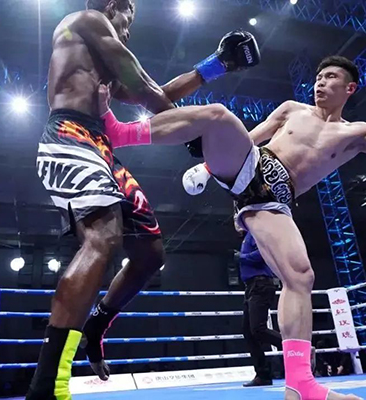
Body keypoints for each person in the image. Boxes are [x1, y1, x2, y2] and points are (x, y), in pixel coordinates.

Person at [26, 0, 261, 397]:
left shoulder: (99, 61)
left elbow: (154, 93)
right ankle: (47, 385)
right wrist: (192, 129)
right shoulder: (88, 20)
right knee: (102, 237)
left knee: (150, 253)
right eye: (129, 17)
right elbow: (144, 88)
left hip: (100, 147)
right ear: (114, 5)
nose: (129, 28)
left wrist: (216, 65)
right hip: (68, 135)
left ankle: (97, 324)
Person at [179, 55, 365, 400]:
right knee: (219, 116)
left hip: (275, 199)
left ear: (350, 88)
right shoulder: (293, 109)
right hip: (253, 166)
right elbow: (255, 135)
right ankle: (123, 132)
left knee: (301, 277)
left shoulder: (355, 133)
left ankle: (299, 385)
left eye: (330, 77)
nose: (320, 82)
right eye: (318, 76)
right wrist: (210, 166)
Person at [236, 225, 282, 387]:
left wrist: (242, 257)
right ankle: (263, 375)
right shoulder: (247, 237)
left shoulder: (256, 232)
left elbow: (264, 252)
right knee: (248, 332)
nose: (235, 223)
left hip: (261, 284)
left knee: (258, 329)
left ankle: (298, 349)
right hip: (251, 286)